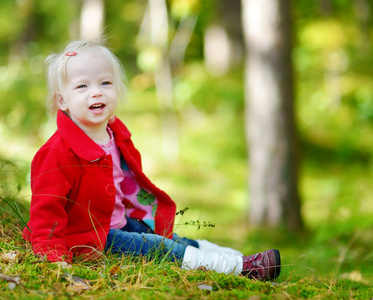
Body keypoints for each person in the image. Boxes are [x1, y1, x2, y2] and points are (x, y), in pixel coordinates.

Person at [22, 38, 281, 281]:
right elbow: (46, 213)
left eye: (105, 83)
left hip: (120, 224)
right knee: (158, 247)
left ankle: (234, 257)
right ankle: (239, 270)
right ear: (62, 100)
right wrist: (52, 257)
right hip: (91, 238)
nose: (96, 93)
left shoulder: (115, 135)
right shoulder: (56, 153)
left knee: (169, 237)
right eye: (82, 86)